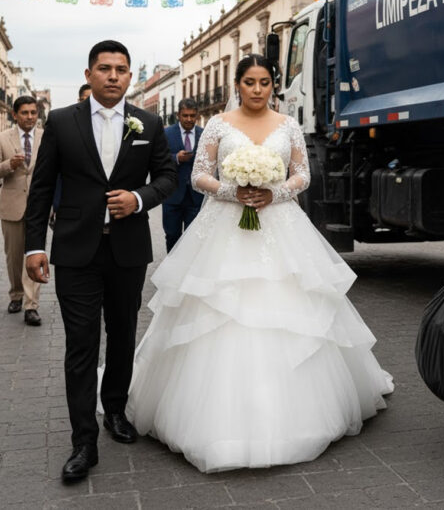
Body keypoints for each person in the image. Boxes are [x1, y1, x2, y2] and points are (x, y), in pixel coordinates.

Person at [126, 53, 393, 473]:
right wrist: (233, 191)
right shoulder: (218, 124)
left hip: (279, 222)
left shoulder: (287, 126)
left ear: (273, 85)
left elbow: (302, 175)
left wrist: (277, 192)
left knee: (293, 305)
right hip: (225, 224)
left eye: (264, 82)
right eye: (249, 81)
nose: (256, 89)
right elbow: (200, 174)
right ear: (237, 84)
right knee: (219, 308)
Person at [24, 40, 176, 483]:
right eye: (105, 68)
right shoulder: (60, 122)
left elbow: (166, 177)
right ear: (89, 74)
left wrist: (139, 198)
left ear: (130, 77)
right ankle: (83, 441)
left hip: (127, 251)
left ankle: (114, 411)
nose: (113, 76)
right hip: (75, 251)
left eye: (122, 69)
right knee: (81, 344)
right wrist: (35, 246)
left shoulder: (148, 122)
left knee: (124, 335)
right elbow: (42, 186)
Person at [0, 96, 43, 326]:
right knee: (13, 257)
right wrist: (9, 165)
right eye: (25, 113)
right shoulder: (3, 138)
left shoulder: (46, 138)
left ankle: (31, 305)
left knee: (35, 254)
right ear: (15, 115)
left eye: (33, 113)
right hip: (11, 205)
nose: (29, 117)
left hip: (38, 207)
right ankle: (16, 294)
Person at [161, 98, 204, 252]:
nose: (189, 119)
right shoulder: (166, 133)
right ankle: (171, 270)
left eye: (192, 116)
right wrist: (176, 158)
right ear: (178, 115)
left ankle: (187, 271)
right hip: (172, 195)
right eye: (185, 115)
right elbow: (159, 160)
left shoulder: (204, 134)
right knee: (172, 235)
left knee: (193, 237)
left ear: (197, 115)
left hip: (196, 196)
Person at [50, 83, 93, 229]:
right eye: (84, 99)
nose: (87, 103)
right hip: (68, 209)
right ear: (78, 100)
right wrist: (55, 206)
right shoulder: (64, 125)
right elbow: (54, 173)